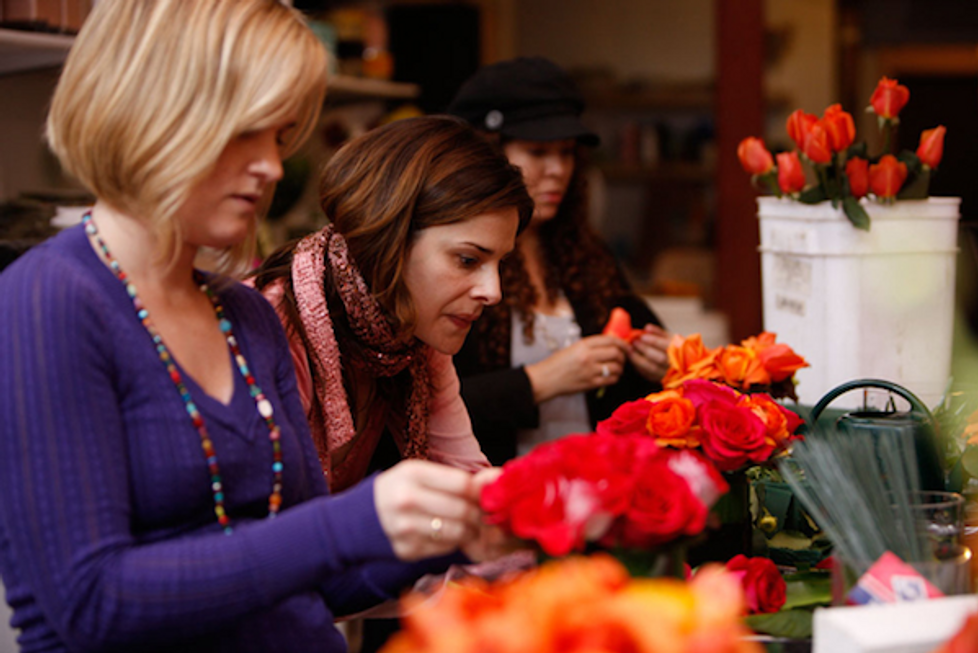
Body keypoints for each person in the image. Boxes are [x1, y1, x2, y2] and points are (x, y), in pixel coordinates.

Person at [0, 3, 506, 652]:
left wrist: (448, 529)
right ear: (149, 107)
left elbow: (306, 583)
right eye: (248, 131)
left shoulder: (244, 317)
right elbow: (90, 602)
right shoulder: (48, 300)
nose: (271, 164)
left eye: (280, 136)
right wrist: (353, 520)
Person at [251, 116, 533, 493]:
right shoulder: (272, 325)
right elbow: (260, 520)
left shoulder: (411, 335)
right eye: (468, 260)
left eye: (501, 263)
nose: (492, 291)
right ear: (389, 240)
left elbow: (469, 480)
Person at [448, 56, 674, 465]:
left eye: (567, 153)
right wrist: (540, 381)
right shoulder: (456, 263)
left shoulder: (588, 256)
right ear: (487, 156)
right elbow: (418, 412)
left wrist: (667, 365)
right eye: (537, 151)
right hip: (493, 498)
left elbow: (637, 395)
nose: (557, 170)